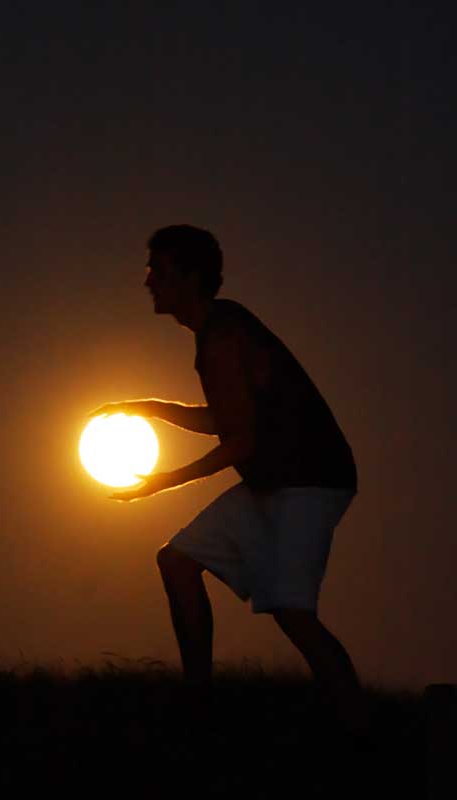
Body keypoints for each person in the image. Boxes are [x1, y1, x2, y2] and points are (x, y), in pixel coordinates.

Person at [89, 224, 371, 741]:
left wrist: (162, 482)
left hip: (310, 482)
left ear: (191, 278)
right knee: (177, 561)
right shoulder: (217, 331)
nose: (148, 280)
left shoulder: (222, 335)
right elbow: (228, 418)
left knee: (292, 611)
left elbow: (240, 442)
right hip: (271, 482)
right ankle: (199, 704)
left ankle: (361, 733)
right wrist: (150, 408)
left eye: (159, 271)